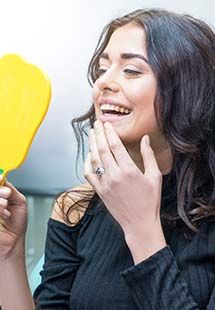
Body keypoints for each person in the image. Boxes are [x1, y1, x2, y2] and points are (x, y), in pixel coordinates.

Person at [0, 8, 214, 310]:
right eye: (102, 70)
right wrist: (8, 255)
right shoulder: (74, 208)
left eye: (132, 70)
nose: (104, 83)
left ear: (188, 90)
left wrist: (142, 228)